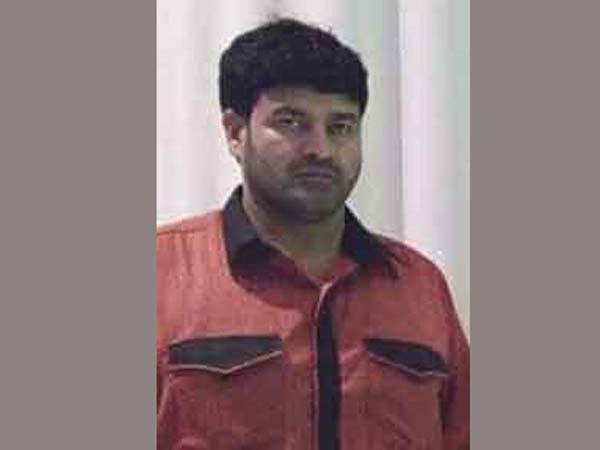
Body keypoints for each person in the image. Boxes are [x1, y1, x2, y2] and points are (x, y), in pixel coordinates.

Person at [157, 18, 469, 450]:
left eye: (341, 126)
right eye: (291, 122)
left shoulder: (419, 286)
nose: (320, 149)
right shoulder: (162, 275)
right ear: (235, 132)